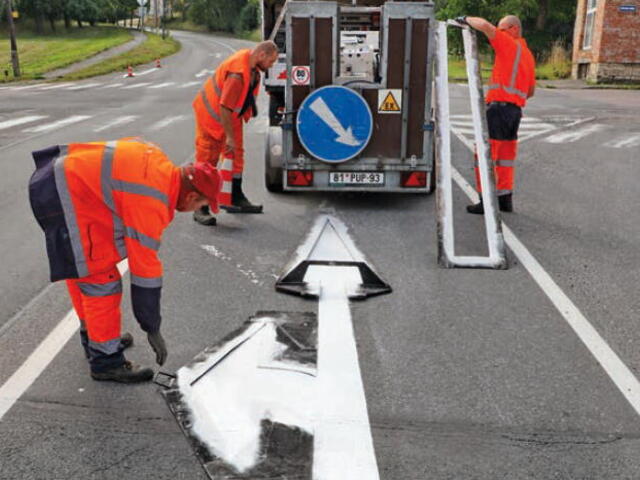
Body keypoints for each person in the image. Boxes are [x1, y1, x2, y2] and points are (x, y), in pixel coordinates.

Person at [28, 138, 221, 383]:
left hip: (61, 182)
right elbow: (145, 272)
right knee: (102, 279)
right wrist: (152, 327)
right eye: (203, 204)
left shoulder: (159, 162)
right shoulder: (153, 200)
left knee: (84, 269)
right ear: (192, 195)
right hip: (65, 194)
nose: (198, 209)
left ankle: (96, 338)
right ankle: (105, 361)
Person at [192, 40, 279, 226]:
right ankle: (200, 207)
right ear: (261, 55)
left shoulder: (251, 66)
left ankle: (235, 197)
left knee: (236, 155)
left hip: (231, 116)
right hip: (213, 117)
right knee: (208, 161)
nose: (271, 66)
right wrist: (229, 136)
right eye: (271, 61)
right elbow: (224, 106)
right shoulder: (237, 74)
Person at [455, 15, 536, 214]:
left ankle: (486, 201)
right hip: (514, 111)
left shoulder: (508, 44)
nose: (498, 33)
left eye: (502, 29)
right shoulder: (527, 54)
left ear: (514, 29)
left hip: (498, 109)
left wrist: (464, 18)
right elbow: (531, 91)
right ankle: (504, 200)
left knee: (485, 155)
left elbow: (483, 25)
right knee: (505, 158)